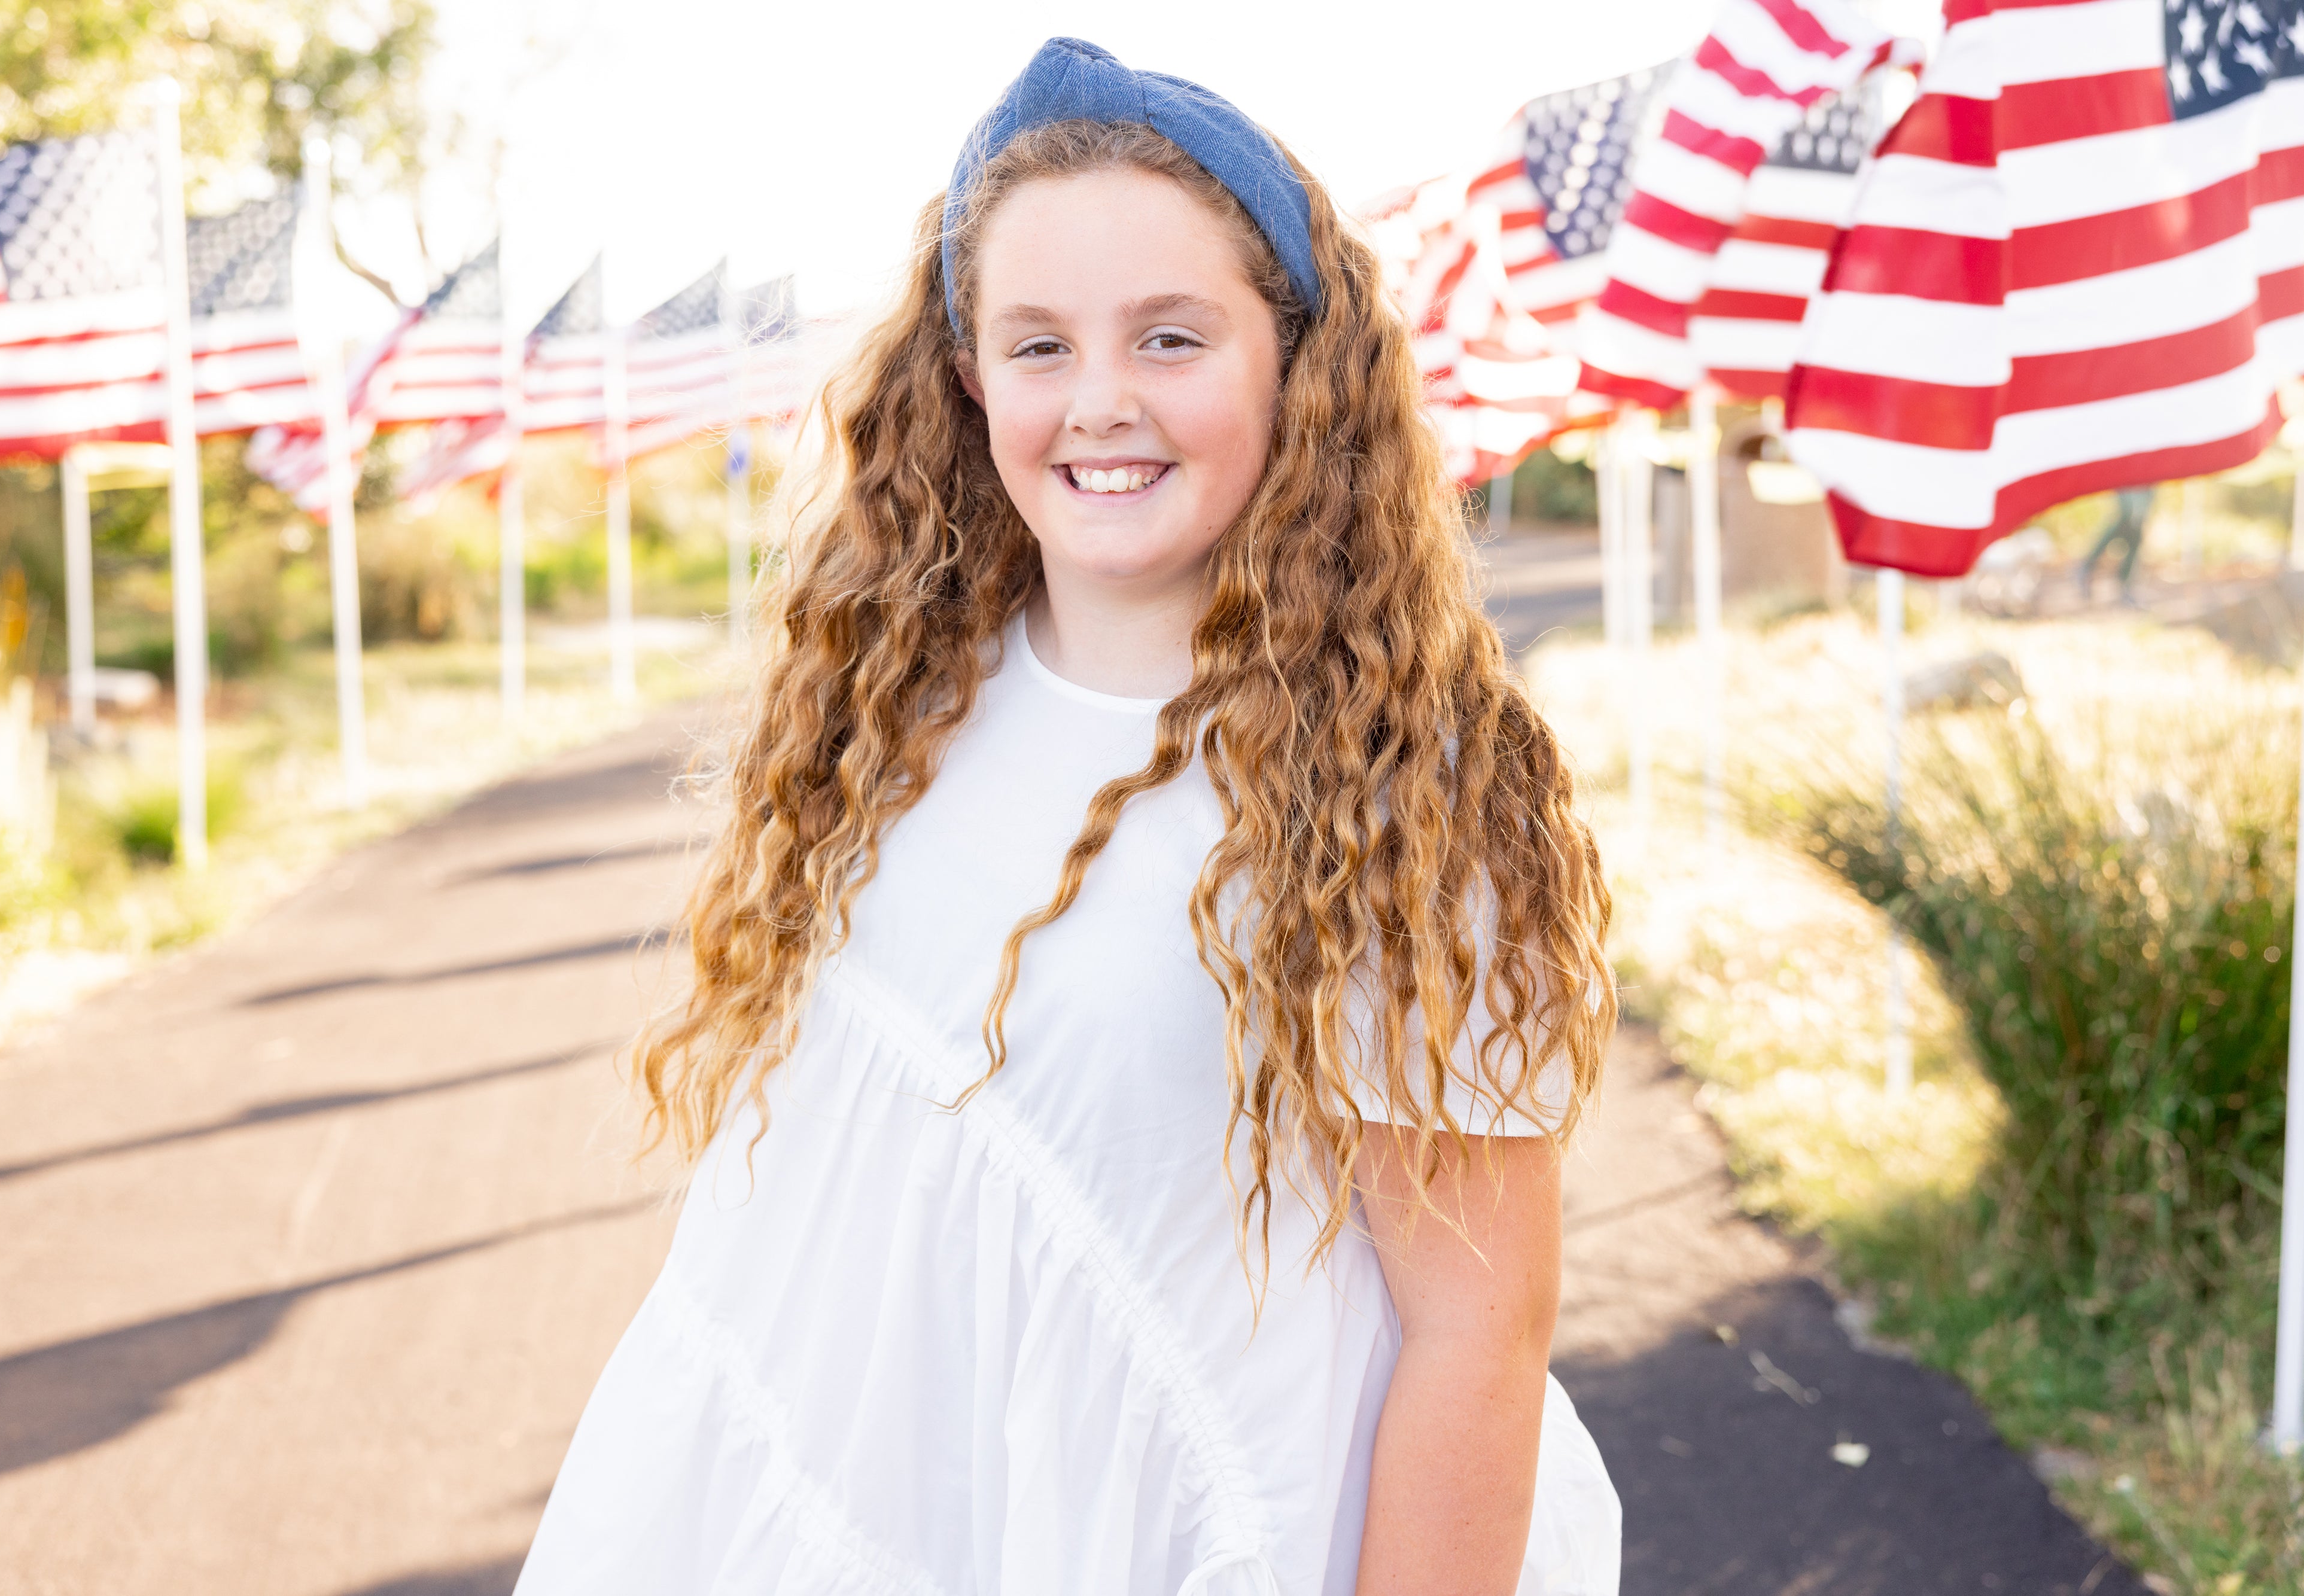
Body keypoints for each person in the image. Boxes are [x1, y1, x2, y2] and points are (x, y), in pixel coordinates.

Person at [515, 38, 1620, 1596]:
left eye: (1170, 336)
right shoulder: (891, 693)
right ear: (968, 378)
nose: (1100, 402)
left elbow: (1475, 1332)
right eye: (1038, 347)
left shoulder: (1393, 782)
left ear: (1294, 364)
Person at [2077, 485, 2156, 602]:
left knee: (2135, 530)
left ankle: (2125, 584)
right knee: (2127, 520)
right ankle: (2088, 566)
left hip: (2146, 480)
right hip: (2127, 478)